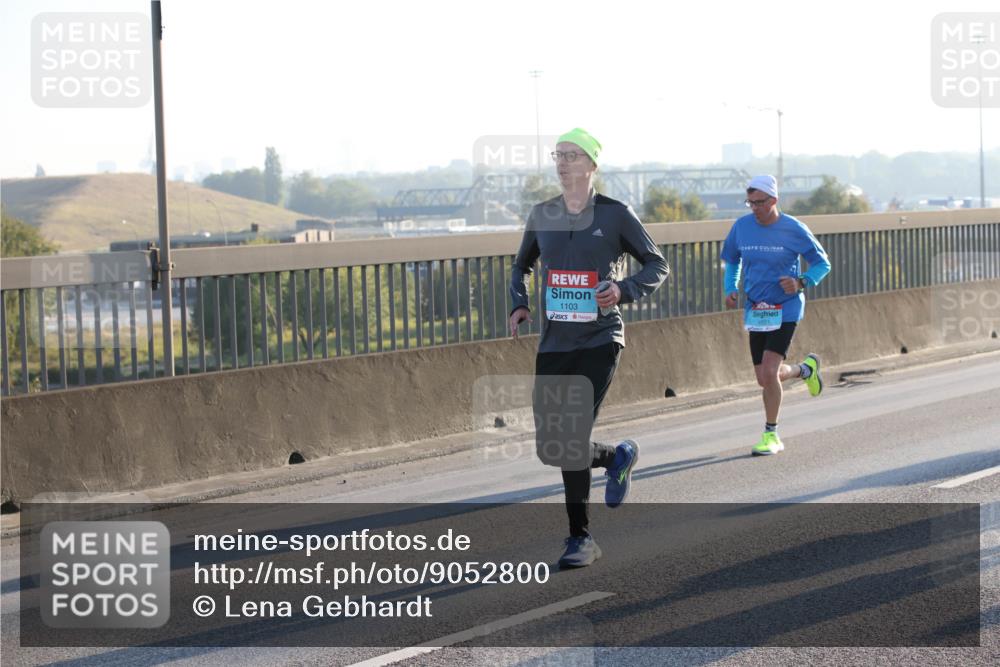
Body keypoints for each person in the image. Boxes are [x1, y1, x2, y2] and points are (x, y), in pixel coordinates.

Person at [509, 128, 669, 568]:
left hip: (601, 339)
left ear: (592, 165)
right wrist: (520, 304)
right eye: (558, 155)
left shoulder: (616, 215)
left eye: (573, 156)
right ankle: (617, 455)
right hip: (555, 343)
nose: (563, 163)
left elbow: (657, 264)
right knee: (552, 446)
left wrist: (624, 289)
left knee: (572, 434)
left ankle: (580, 538)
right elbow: (521, 264)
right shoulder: (542, 213)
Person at [721, 174, 831, 456]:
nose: (754, 208)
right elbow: (732, 260)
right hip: (757, 309)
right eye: (750, 202)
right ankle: (805, 370)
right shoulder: (742, 227)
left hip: (786, 308)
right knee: (764, 377)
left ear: (774, 200)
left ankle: (771, 434)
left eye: (760, 202)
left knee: (769, 372)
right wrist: (730, 287)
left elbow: (822, 263)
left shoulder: (793, 228)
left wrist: (802, 281)